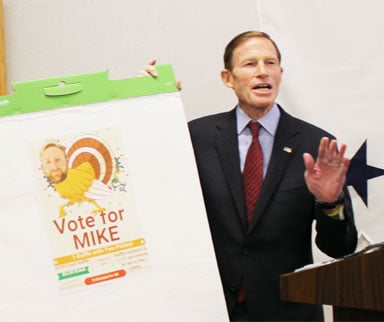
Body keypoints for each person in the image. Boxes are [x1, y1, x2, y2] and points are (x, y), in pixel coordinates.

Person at [141, 31, 358, 321]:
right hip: (216, 310)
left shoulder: (316, 145)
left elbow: (339, 248)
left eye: (270, 63)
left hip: (289, 312)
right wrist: (149, 107)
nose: (262, 72)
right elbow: (153, 187)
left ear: (280, 73)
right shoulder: (195, 138)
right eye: (250, 64)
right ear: (227, 78)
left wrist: (331, 203)